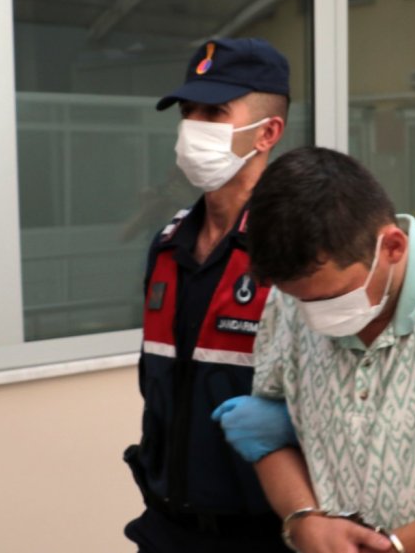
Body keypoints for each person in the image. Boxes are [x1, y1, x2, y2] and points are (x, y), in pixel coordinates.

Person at [213, 146, 415, 553]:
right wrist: (304, 520)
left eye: (332, 298)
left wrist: (395, 549)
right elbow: (267, 440)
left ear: (393, 247)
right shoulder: (289, 301)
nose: (316, 318)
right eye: (300, 301)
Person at [122, 37, 293, 553]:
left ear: (267, 132)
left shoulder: (293, 245)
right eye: (188, 110)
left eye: (215, 112)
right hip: (165, 525)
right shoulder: (170, 244)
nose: (193, 125)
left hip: (261, 533)